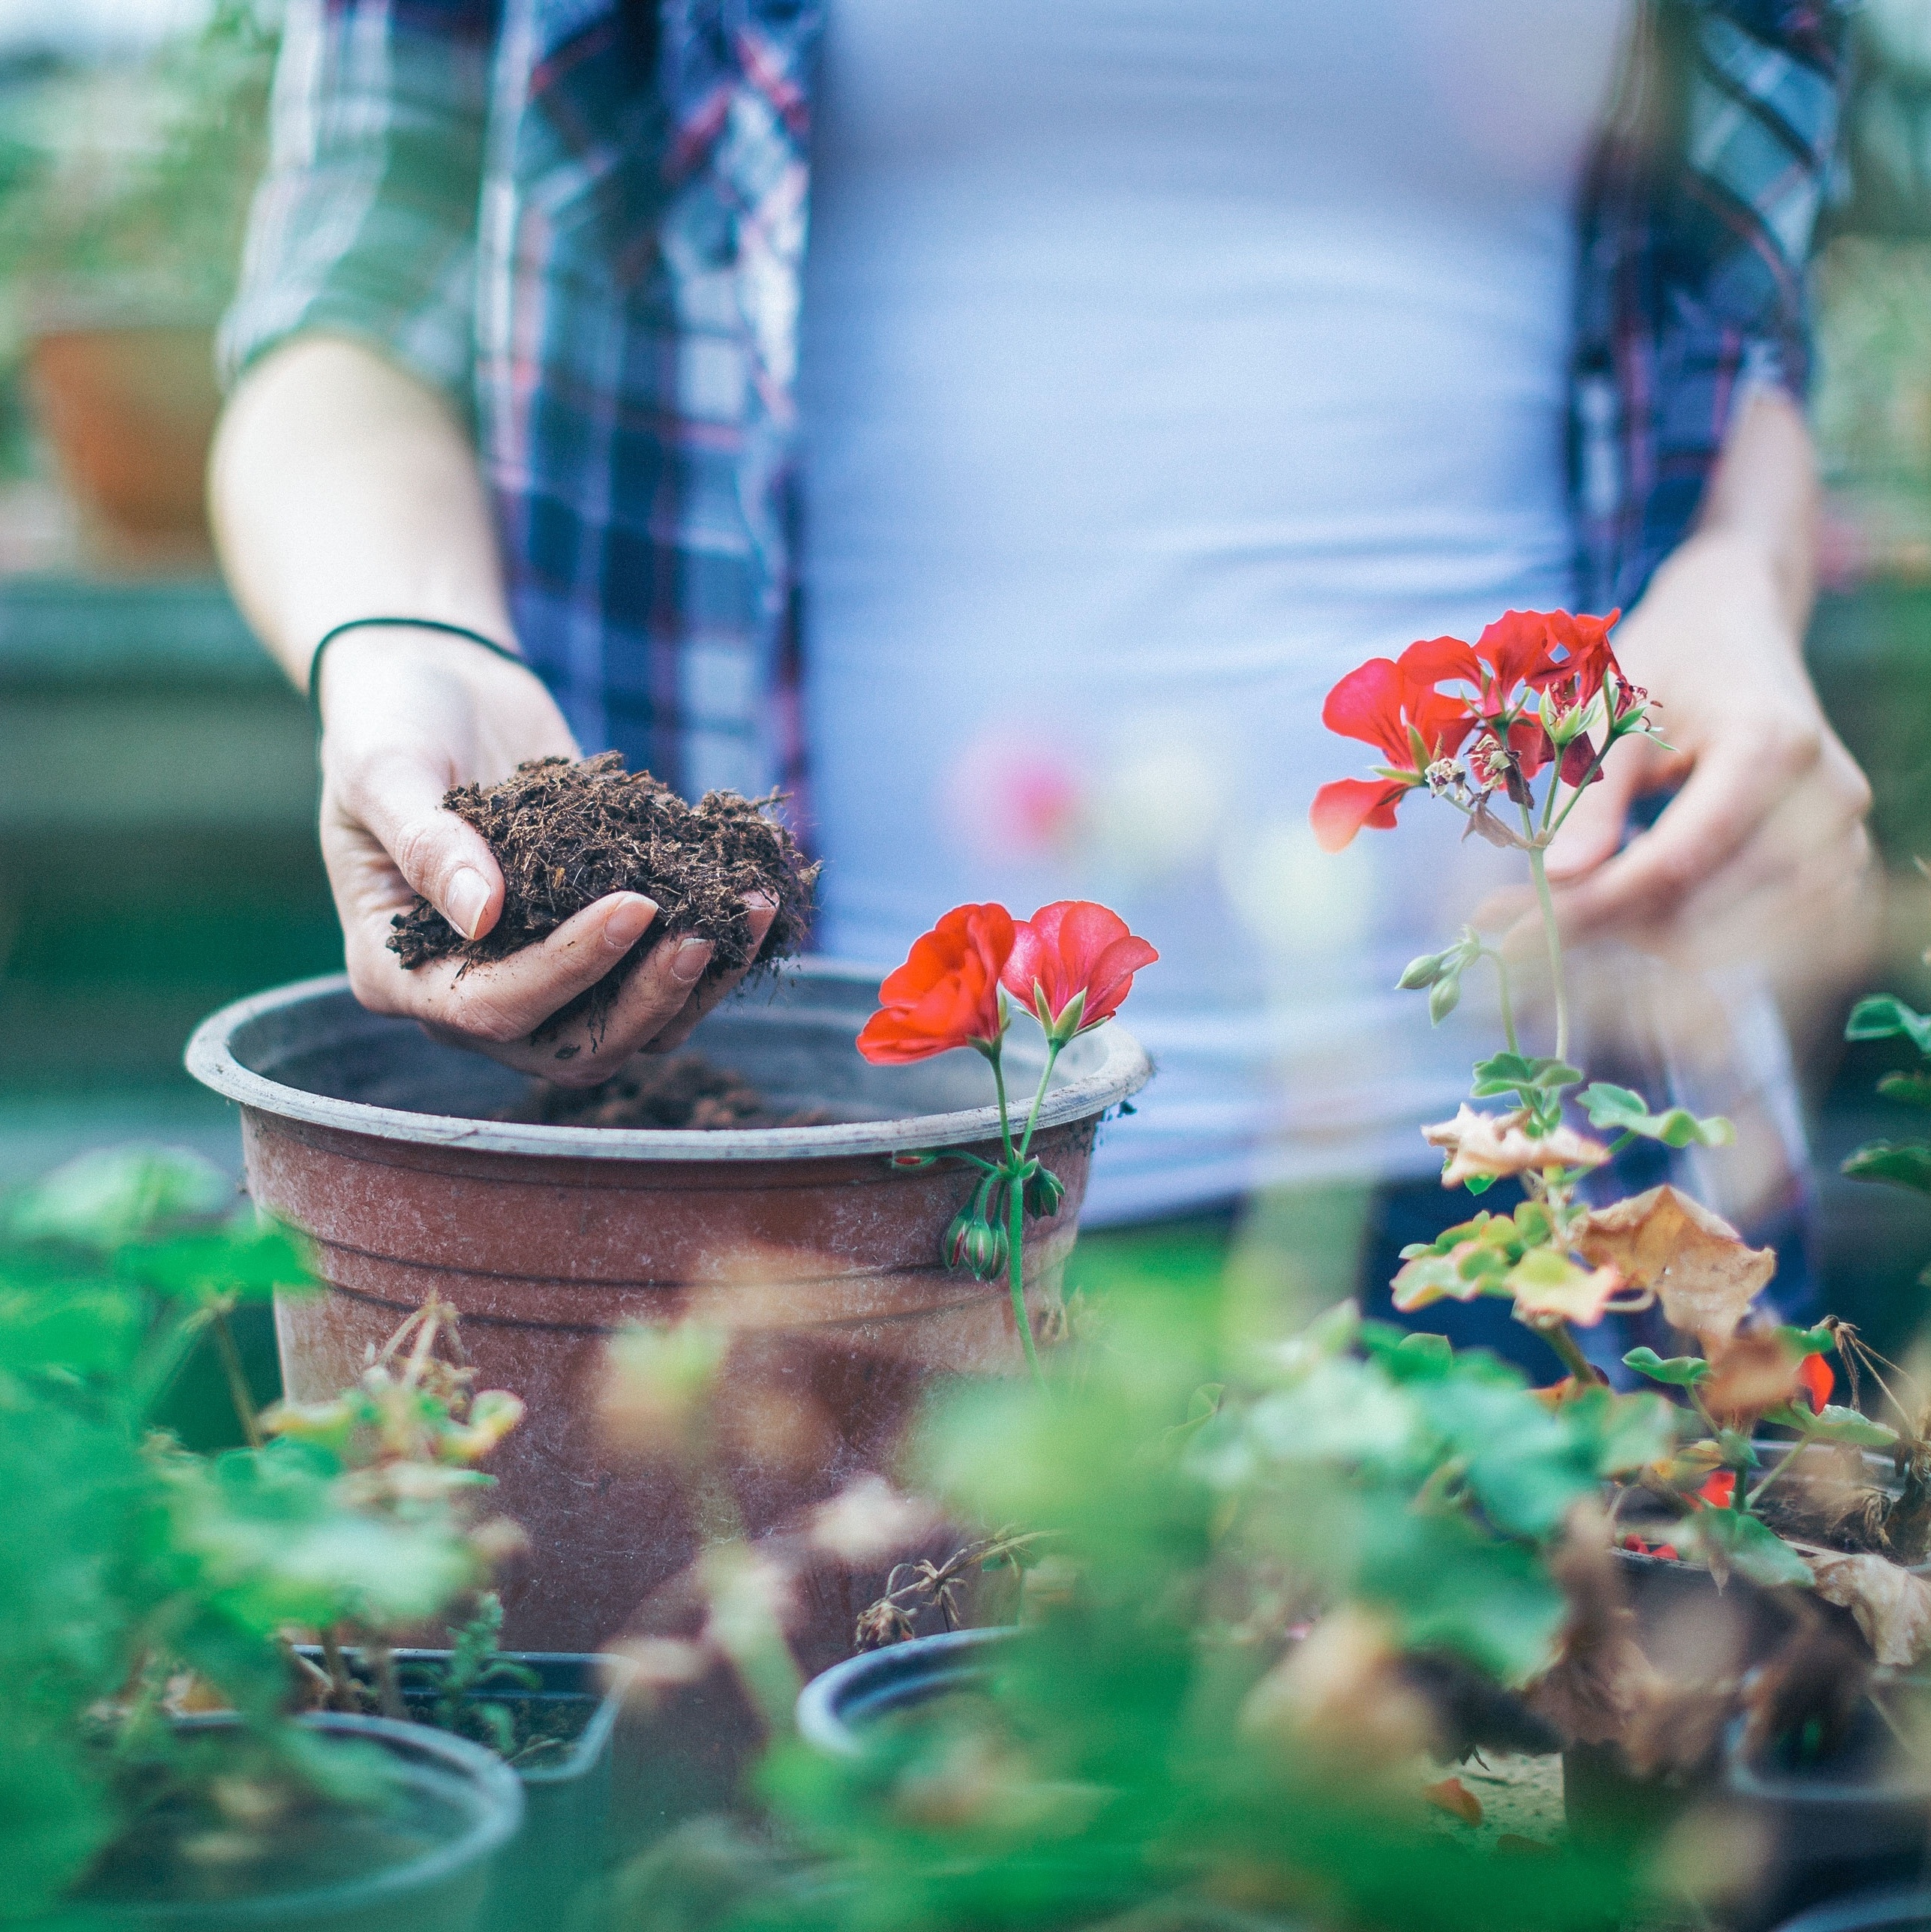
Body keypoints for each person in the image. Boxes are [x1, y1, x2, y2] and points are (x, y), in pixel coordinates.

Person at [211, 0, 1873, 1348]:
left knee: (1563, 1741)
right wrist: (408, 634)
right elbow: (351, 292)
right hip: (794, 1194)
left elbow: (1735, 338)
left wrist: (1734, 594)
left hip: (1555, 1173)